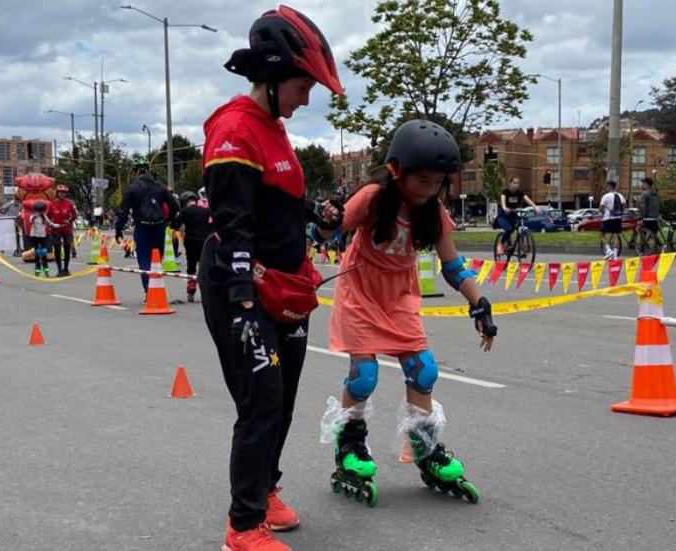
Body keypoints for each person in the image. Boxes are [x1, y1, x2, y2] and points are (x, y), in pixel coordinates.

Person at [201, 6, 345, 550]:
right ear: (272, 73)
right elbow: (233, 219)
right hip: (242, 287)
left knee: (282, 398)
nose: (306, 97)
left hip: (284, 287)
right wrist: (241, 302)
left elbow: (276, 206)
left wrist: (316, 216)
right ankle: (242, 526)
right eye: (303, 85)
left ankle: (265, 489)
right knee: (260, 400)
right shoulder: (236, 128)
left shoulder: (274, 129)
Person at [321, 119, 497, 508]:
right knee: (364, 376)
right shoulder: (371, 198)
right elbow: (330, 230)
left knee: (423, 369)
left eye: (437, 183)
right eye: (422, 181)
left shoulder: (433, 212)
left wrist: (479, 305)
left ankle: (427, 449)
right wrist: (326, 220)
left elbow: (453, 266)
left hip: (399, 296)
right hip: (361, 292)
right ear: (395, 171)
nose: (429, 190)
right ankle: (350, 447)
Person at [114, 159, 179, 293]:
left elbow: (123, 211)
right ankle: (157, 286)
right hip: (159, 227)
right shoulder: (160, 187)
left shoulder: (132, 188)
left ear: (136, 171)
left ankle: (149, 290)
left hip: (142, 227)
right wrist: (169, 220)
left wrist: (118, 229)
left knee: (144, 260)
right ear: (148, 170)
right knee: (157, 259)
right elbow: (175, 205)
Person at [173, 191, 211, 303]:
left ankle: (191, 288)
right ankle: (207, 291)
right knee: (204, 266)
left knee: (191, 265)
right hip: (205, 242)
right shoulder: (205, 211)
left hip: (191, 242)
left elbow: (175, 225)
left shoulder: (184, 211)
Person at [495, 176, 537, 253]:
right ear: (510, 183)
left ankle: (520, 246)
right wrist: (505, 208)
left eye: (517, 183)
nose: (516, 185)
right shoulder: (505, 192)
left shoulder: (519, 192)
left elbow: (527, 199)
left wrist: (535, 207)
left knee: (521, 228)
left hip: (513, 215)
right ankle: (501, 244)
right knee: (509, 229)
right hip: (504, 216)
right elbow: (503, 202)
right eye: (514, 183)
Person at [48, 185, 78, 277]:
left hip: (67, 229)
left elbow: (74, 215)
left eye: (64, 193)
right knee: (57, 249)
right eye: (61, 193)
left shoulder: (69, 204)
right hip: (56, 230)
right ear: (57, 193)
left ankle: (66, 269)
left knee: (67, 248)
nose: (62, 194)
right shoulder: (52, 204)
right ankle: (59, 269)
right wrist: (51, 225)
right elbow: (47, 217)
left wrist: (69, 220)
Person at [27, 202, 57, 277]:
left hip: (42, 236)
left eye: (41, 211)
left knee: (44, 253)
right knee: (37, 253)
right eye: (38, 211)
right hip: (34, 236)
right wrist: (35, 216)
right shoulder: (33, 216)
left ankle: (46, 270)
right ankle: (37, 270)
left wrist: (56, 225)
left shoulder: (44, 216)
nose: (40, 212)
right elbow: (30, 221)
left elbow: (49, 223)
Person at [599, 180, 626, 260]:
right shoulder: (620, 195)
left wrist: (604, 212)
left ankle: (608, 250)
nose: (606, 187)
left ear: (609, 186)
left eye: (607, 186)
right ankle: (615, 255)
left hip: (608, 218)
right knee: (616, 235)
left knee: (601, 234)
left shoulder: (606, 196)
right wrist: (620, 212)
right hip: (617, 218)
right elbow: (624, 205)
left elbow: (601, 208)